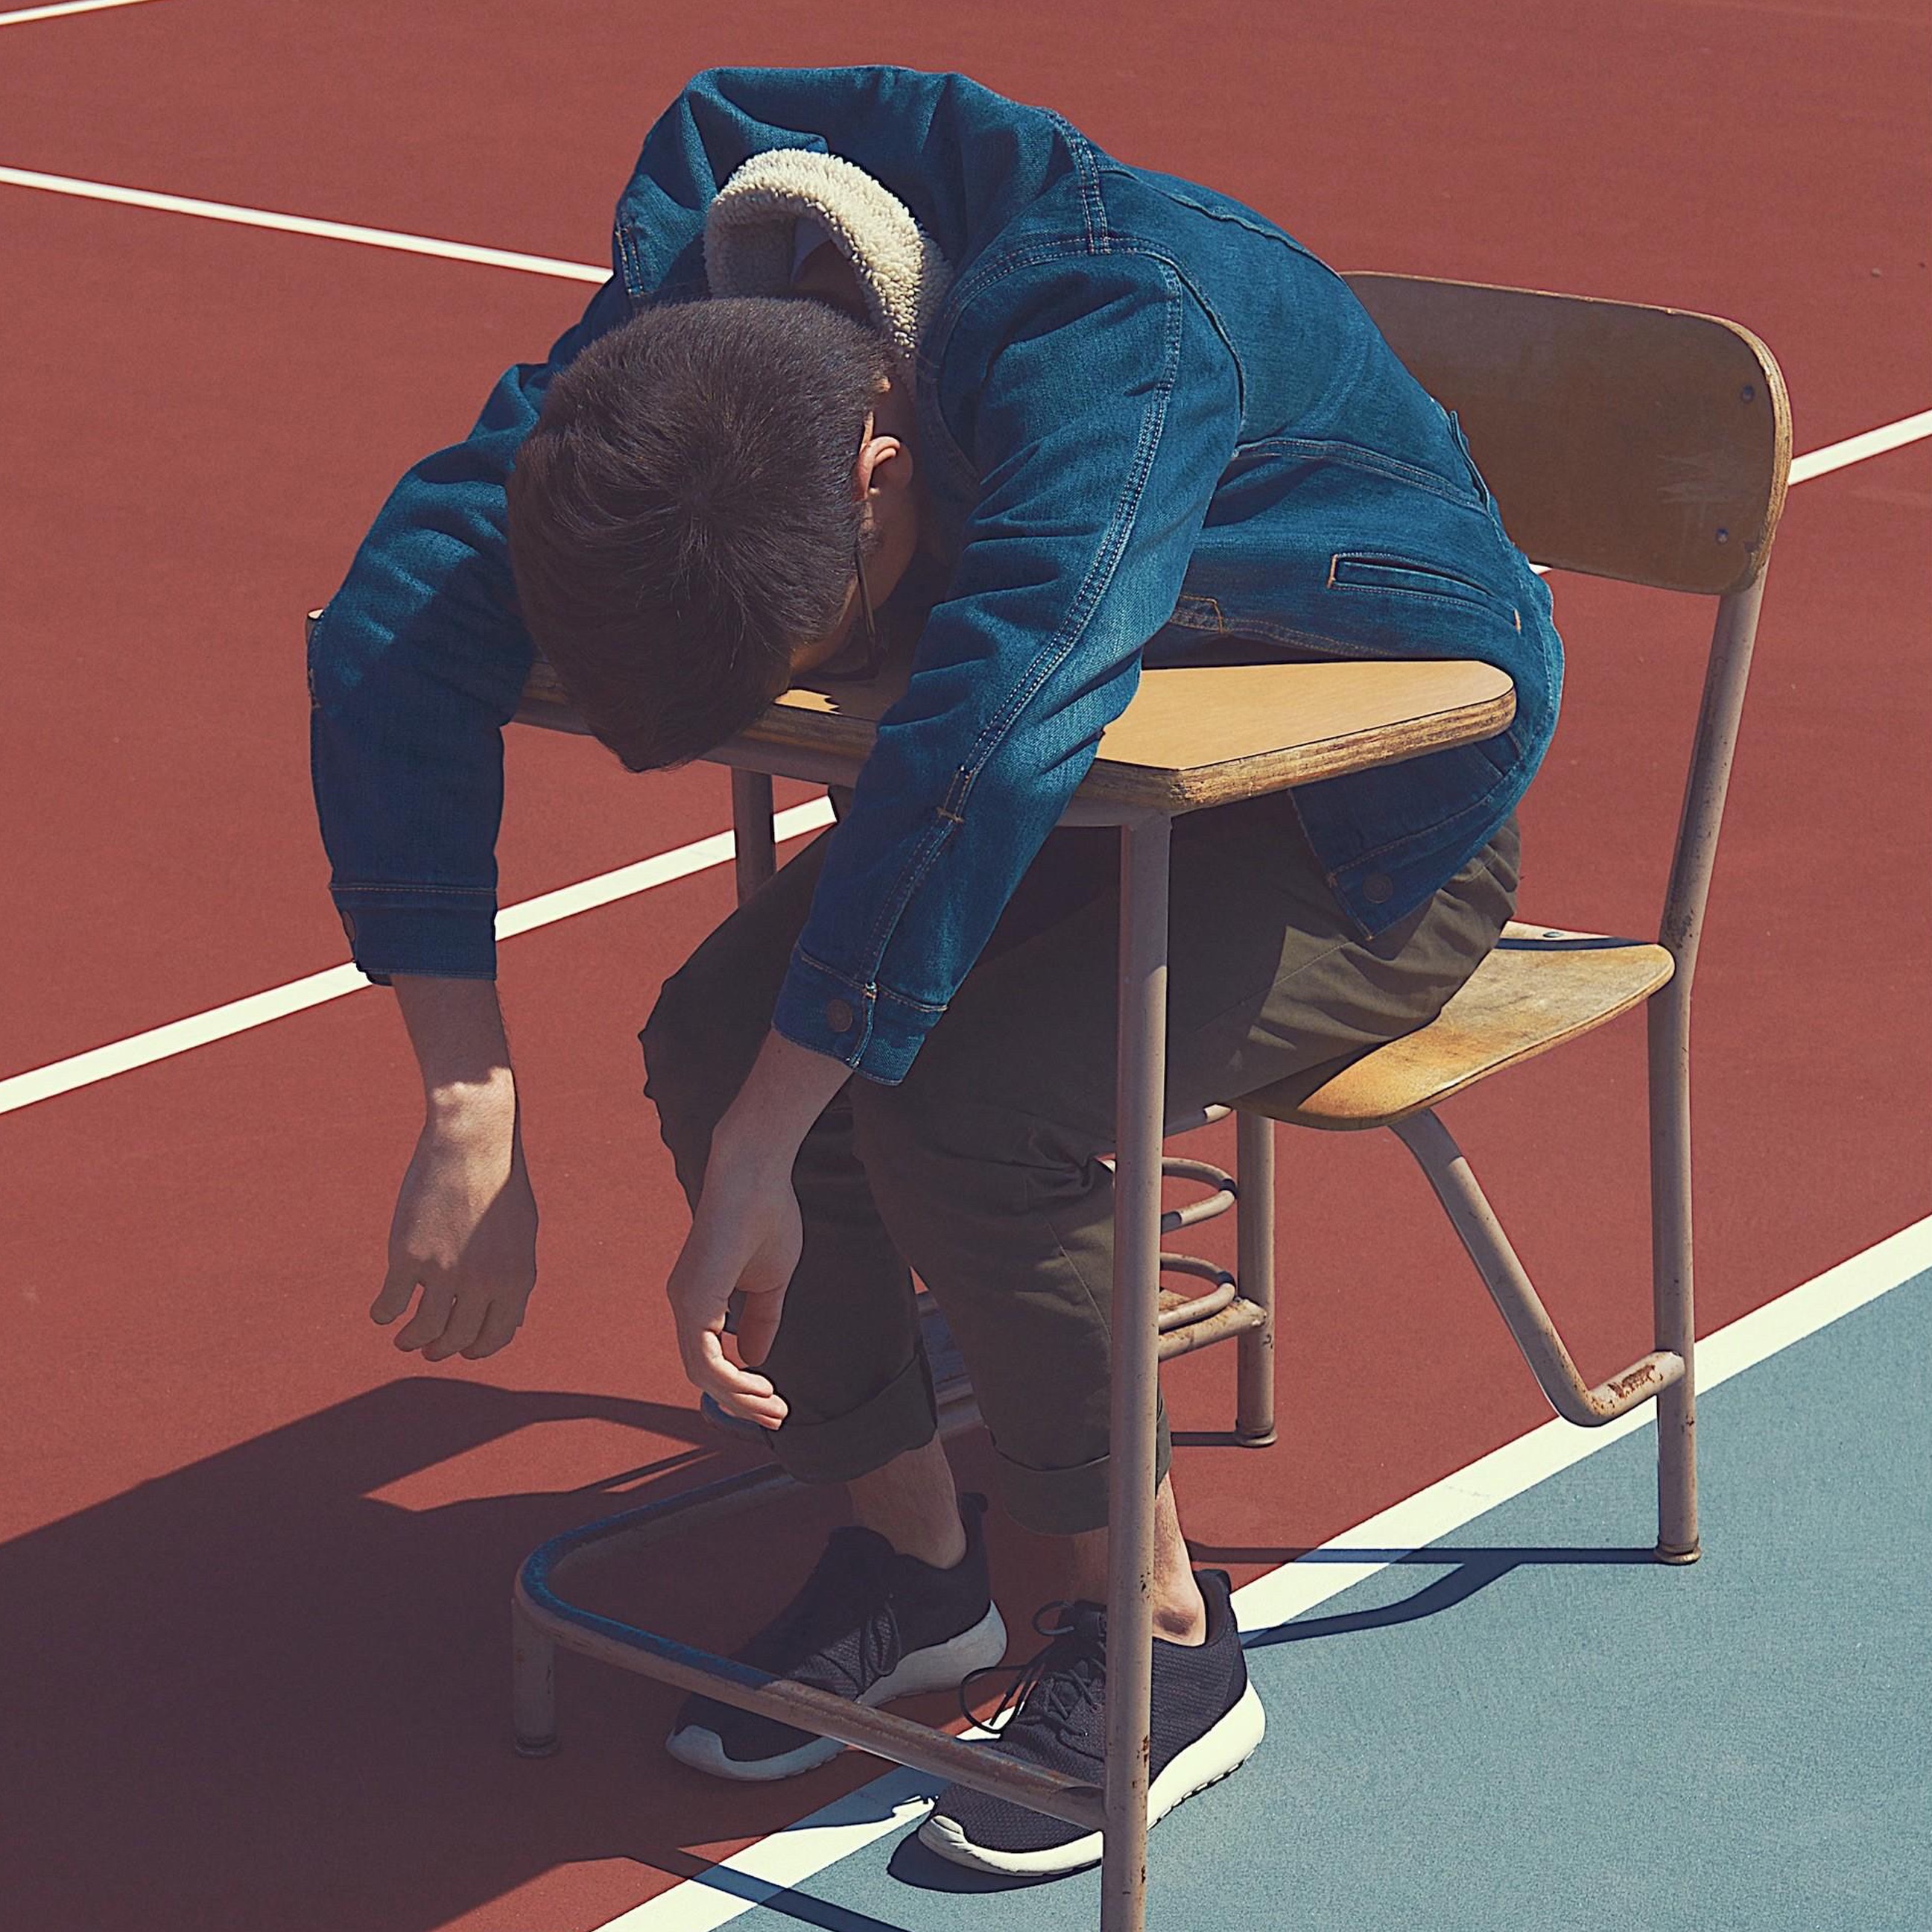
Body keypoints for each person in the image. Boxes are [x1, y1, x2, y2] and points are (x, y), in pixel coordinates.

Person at [308, 66, 1559, 1875]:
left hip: (1364, 829)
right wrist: (465, 1089)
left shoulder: (1114, 322)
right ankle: (919, 1566)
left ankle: (1160, 1638)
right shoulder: (702, 331)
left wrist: (770, 1134)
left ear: (881, 468)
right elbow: (400, 613)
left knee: (958, 1100)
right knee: (714, 1033)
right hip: (1071, 809)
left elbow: (994, 715)